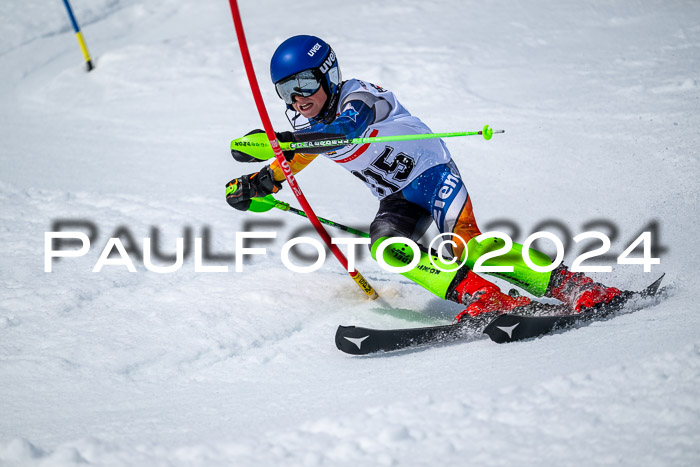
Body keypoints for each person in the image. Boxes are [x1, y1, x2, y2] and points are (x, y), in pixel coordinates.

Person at [226, 35, 622, 320]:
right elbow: (300, 154)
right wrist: (262, 181)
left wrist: (281, 140)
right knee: (387, 246)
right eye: (286, 91)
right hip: (398, 196)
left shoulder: (359, 95)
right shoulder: (305, 125)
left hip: (432, 175)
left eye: (304, 84)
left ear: (328, 75)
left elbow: (345, 132)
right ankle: (483, 296)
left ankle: (575, 286)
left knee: (468, 244)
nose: (298, 98)